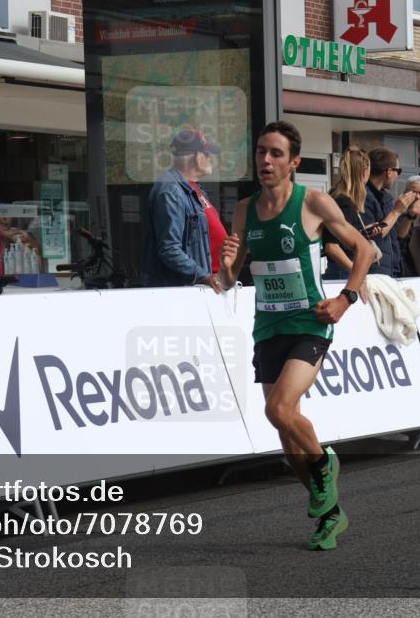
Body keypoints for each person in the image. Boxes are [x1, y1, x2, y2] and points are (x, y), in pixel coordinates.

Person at [219, 121, 374, 551]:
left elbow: (365, 250)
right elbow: (230, 279)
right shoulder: (244, 210)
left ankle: (326, 464)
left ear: (293, 163)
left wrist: (345, 299)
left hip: (310, 321)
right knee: (285, 434)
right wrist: (227, 264)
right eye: (260, 153)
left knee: (280, 406)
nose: (265, 161)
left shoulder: (314, 203)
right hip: (268, 326)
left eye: (275, 154)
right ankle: (330, 515)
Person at [143, 128, 226, 291]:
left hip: (209, 289)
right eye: (208, 154)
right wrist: (203, 276)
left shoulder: (194, 189)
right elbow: (169, 249)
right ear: (197, 156)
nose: (211, 159)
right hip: (190, 292)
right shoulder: (171, 190)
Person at [361, 147, 420, 277]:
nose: (398, 176)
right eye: (398, 171)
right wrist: (396, 212)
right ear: (389, 172)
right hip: (374, 271)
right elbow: (372, 236)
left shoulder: (387, 198)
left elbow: (398, 235)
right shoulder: (364, 197)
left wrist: (410, 215)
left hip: (391, 269)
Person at [323, 146, 372, 281]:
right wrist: (357, 273)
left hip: (339, 270)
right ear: (364, 172)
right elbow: (332, 246)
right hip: (343, 272)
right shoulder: (345, 202)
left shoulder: (337, 197)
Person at [399, 175, 420, 277]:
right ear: (406, 194)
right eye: (413, 192)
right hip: (404, 272)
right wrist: (411, 214)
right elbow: (400, 235)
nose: (417, 197)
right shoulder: (397, 212)